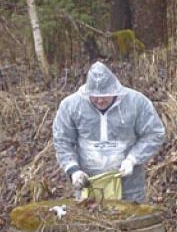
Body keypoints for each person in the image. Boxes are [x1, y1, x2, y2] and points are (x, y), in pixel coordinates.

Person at [52, 61, 165, 203]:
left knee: (130, 221)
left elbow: (154, 133)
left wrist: (133, 159)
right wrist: (73, 170)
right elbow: (62, 140)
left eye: (104, 96)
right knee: (91, 221)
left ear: (114, 91)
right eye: (94, 96)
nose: (99, 100)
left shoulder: (136, 103)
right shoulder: (71, 106)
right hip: (89, 184)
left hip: (129, 184)